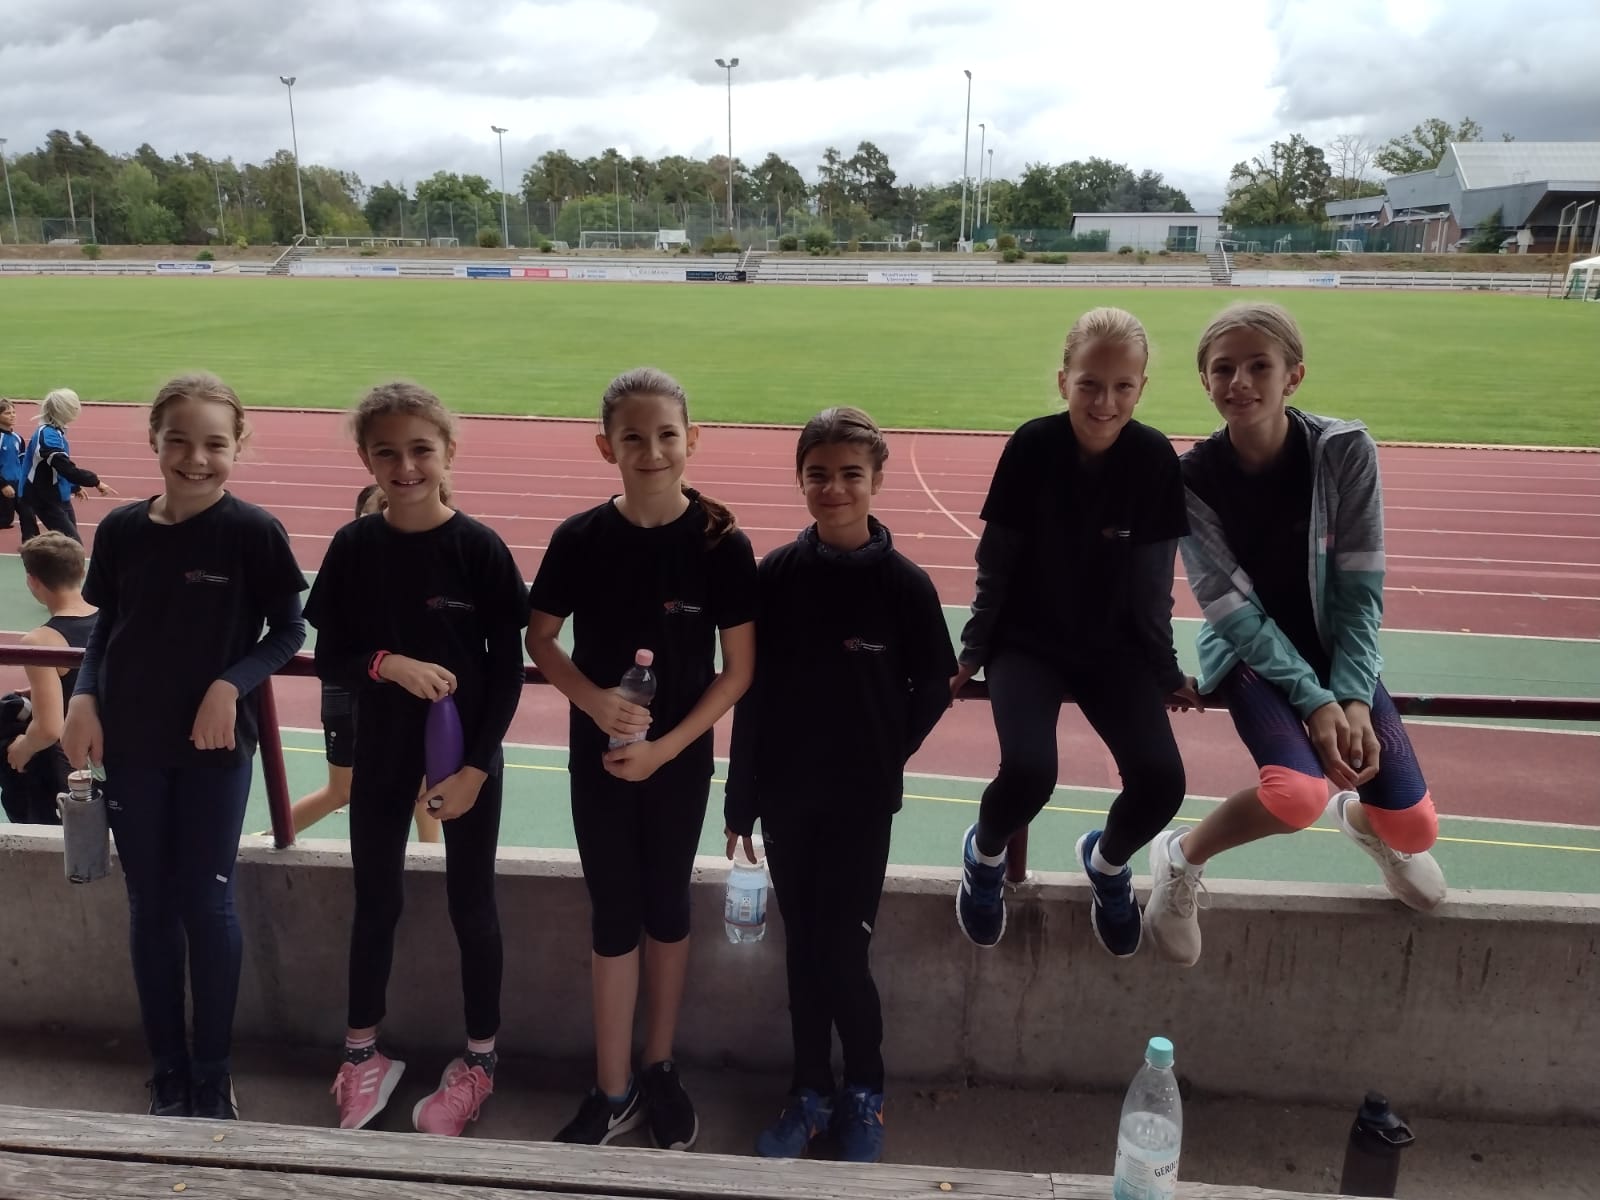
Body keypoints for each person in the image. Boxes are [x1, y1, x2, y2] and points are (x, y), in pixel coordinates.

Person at [1143, 302, 1446, 966]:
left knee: (1416, 826)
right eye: (1223, 369)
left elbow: (1361, 590)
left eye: (1260, 366)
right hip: (1248, 651)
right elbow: (1231, 611)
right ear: (1204, 381)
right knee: (1298, 794)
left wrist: (1353, 696)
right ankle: (1180, 858)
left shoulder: (1343, 451)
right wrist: (1314, 701)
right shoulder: (1190, 479)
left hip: (1335, 648)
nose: (1240, 382)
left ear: (1294, 376)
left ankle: (1367, 824)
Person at [61, 373, 308, 1121]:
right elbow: (106, 627)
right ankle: (166, 1069)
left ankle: (211, 1072)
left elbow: (289, 632)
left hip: (214, 748)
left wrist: (230, 684)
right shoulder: (122, 530)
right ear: (154, 442)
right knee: (149, 906)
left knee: (207, 902)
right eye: (179, 441)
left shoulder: (253, 531)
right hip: (132, 742)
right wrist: (83, 695)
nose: (196, 459)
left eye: (214, 444)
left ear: (237, 446)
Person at [527, 366, 756, 1150]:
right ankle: (611, 1086)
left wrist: (665, 749)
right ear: (606, 447)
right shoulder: (580, 539)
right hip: (597, 760)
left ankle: (658, 1066)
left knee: (667, 907)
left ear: (692, 440)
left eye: (666, 435)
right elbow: (540, 639)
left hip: (678, 761)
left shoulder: (721, 545)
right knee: (613, 912)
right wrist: (594, 703)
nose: (651, 451)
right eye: (633, 437)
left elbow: (738, 671)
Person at [725, 406, 954, 1164]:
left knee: (844, 953)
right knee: (802, 951)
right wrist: (740, 800)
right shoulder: (775, 579)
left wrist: (886, 753)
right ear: (800, 480)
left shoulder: (906, 586)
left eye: (851, 474)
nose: (834, 488)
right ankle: (808, 1090)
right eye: (818, 474)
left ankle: (865, 1089)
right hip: (788, 799)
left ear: (876, 480)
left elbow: (934, 686)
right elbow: (751, 694)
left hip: (861, 802)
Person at [304, 382, 527, 1136]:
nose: (405, 467)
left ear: (448, 452)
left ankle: (480, 1063)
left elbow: (506, 671)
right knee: (376, 900)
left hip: (467, 757)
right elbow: (330, 653)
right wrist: (388, 664)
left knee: (473, 904)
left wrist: (475, 770)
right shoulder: (354, 547)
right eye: (387, 453)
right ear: (366, 459)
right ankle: (363, 1055)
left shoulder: (479, 549)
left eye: (421, 450)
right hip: (384, 749)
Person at [951, 307, 1198, 957]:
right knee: (1030, 770)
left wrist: (1165, 670)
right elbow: (996, 561)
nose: (1104, 401)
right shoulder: (1032, 446)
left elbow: (1153, 586)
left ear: (1141, 388)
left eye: (1122, 386)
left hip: (1115, 651)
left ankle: (1108, 862)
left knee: (1162, 781)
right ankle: (984, 855)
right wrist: (972, 653)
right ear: (1064, 381)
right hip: (1027, 642)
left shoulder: (1154, 460)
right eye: (1089, 383)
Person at [289, 483, 441, 845]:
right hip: (349, 687)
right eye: (379, 509)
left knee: (424, 783)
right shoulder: (351, 560)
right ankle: (270, 838)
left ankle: (431, 858)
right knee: (342, 789)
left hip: (409, 691)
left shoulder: (429, 561)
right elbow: (331, 647)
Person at [0, 532, 98, 823]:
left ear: (32, 581)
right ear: (81, 571)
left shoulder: (42, 640)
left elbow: (49, 728)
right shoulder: (110, 618)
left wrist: (21, 749)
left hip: (73, 760)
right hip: (112, 749)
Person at [20, 388, 116, 542]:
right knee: (72, 543)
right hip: (43, 496)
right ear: (63, 410)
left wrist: (74, 487)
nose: (77, 409)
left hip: (58, 493)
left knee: (69, 544)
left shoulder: (57, 431)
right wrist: (95, 481)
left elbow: (57, 468)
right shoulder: (47, 436)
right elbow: (64, 467)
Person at [0, 400, 27, 532]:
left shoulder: (18, 438)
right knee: (4, 521)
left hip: (18, 484)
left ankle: (30, 543)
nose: (12, 415)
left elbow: (22, 462)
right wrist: (3, 485)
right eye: (7, 413)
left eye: (14, 412)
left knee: (28, 516)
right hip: (3, 485)